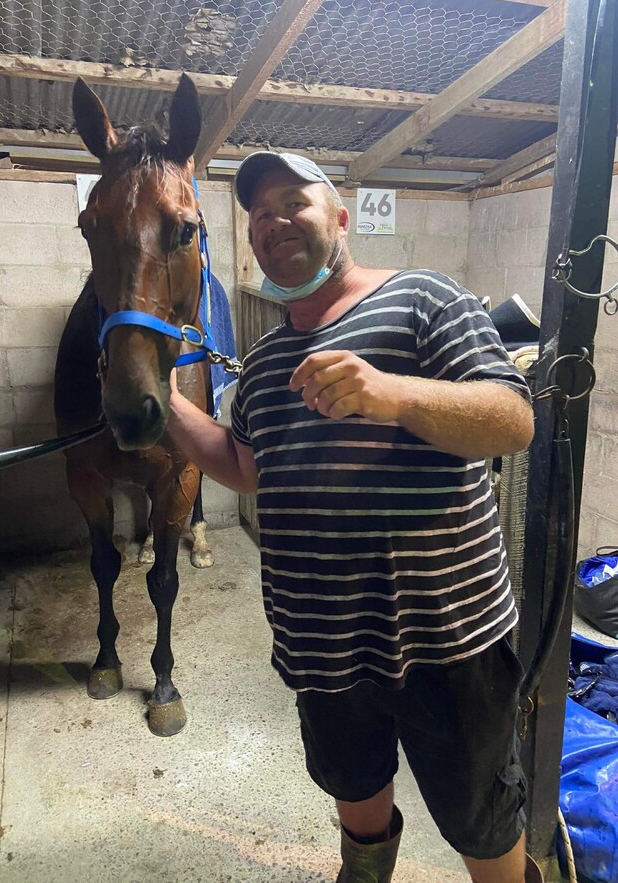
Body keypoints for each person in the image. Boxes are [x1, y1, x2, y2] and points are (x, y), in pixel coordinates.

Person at [167, 151, 538, 883]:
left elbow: (511, 419)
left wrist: (393, 394)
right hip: (323, 640)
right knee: (353, 784)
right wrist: (163, 400)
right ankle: (364, 872)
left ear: (339, 218)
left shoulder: (427, 299)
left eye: (291, 201)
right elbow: (245, 467)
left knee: (480, 814)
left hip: (447, 638)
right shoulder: (268, 362)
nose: (272, 220)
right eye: (258, 213)